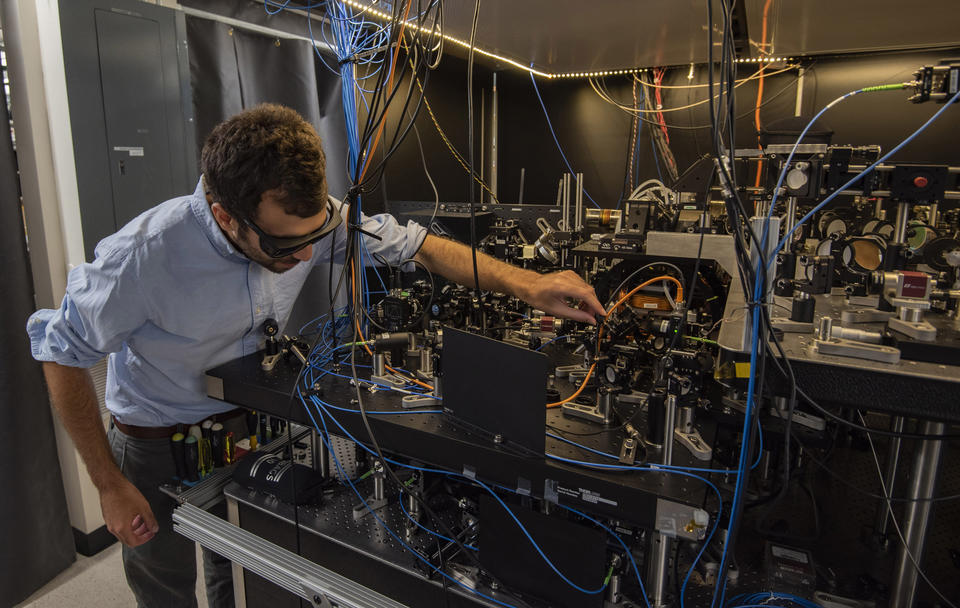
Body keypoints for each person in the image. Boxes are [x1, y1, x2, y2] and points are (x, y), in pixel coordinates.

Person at [27, 103, 605, 607]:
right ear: (225, 213)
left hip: (250, 428)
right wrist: (106, 481)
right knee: (165, 585)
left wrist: (527, 284)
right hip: (159, 443)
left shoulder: (305, 218)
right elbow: (60, 352)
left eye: (316, 235)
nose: (306, 258)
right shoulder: (143, 256)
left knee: (243, 561)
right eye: (283, 245)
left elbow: (415, 246)